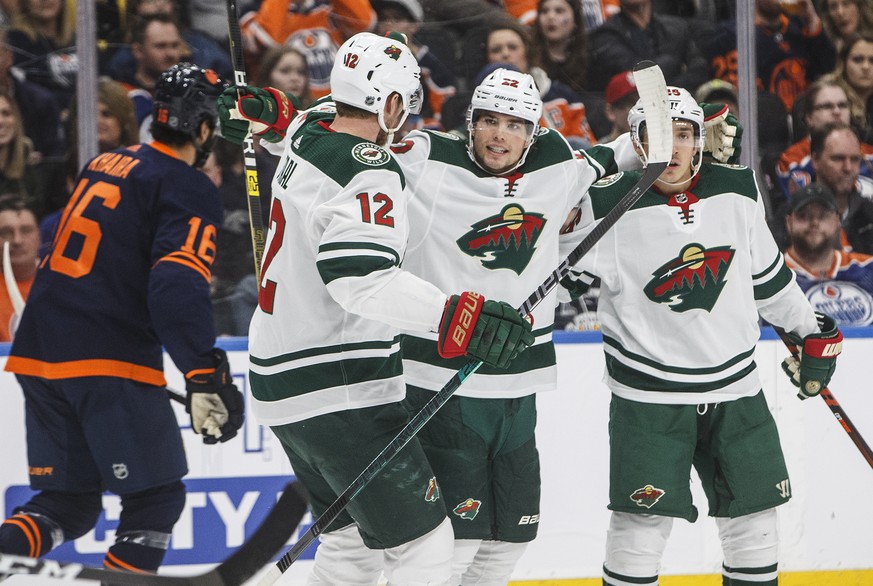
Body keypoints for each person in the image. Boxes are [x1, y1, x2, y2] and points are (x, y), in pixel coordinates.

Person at [218, 33, 535, 585]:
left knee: (350, 549)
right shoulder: (371, 172)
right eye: (404, 104)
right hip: (339, 385)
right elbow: (359, 280)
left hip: (279, 378)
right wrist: (458, 319)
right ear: (390, 104)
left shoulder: (313, 131)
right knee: (425, 548)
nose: (407, 118)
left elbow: (289, 123)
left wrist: (265, 112)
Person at [560, 86, 842, 586]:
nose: (672, 147)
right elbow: (555, 281)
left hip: (736, 388)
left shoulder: (737, 188)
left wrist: (809, 330)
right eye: (657, 135)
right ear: (638, 142)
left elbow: (769, 281)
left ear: (700, 140)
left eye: (685, 134)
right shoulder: (606, 202)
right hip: (648, 396)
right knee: (640, 531)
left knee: (754, 526)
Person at [0, 63, 244, 574]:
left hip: (39, 353)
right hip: (104, 357)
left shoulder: (105, 162)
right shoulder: (187, 185)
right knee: (155, 500)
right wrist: (204, 373)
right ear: (202, 129)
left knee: (67, 503)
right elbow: (175, 285)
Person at [700, 0, 836, 113]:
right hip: (764, 124)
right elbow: (737, 96)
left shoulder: (801, 28)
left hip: (805, 119)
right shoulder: (731, 35)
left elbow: (829, 73)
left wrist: (812, 20)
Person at [239, 0, 376, 98]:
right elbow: (268, 39)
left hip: (334, 104)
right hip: (281, 109)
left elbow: (365, 22)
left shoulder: (329, 6)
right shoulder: (253, 11)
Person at [784, 182, 873, 326]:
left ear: (837, 221)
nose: (814, 222)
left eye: (823, 215)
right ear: (789, 222)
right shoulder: (774, 277)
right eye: (804, 216)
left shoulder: (868, 268)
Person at [776, 77, 873, 201]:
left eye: (842, 105)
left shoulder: (870, 154)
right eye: (827, 106)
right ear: (809, 117)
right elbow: (807, 206)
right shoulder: (792, 160)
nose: (837, 112)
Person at [589, 0, 710, 92]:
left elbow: (700, 69)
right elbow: (639, 76)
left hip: (683, 104)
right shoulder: (605, 35)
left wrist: (670, 90)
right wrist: (675, 63)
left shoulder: (677, 27)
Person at [0, 193, 38, 341]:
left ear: (39, 236)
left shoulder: (62, 287)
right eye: (6, 233)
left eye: (26, 230)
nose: (17, 240)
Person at [831, 33, 873, 143]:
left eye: (872, 61)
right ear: (843, 63)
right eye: (858, 60)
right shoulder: (827, 99)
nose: (866, 67)